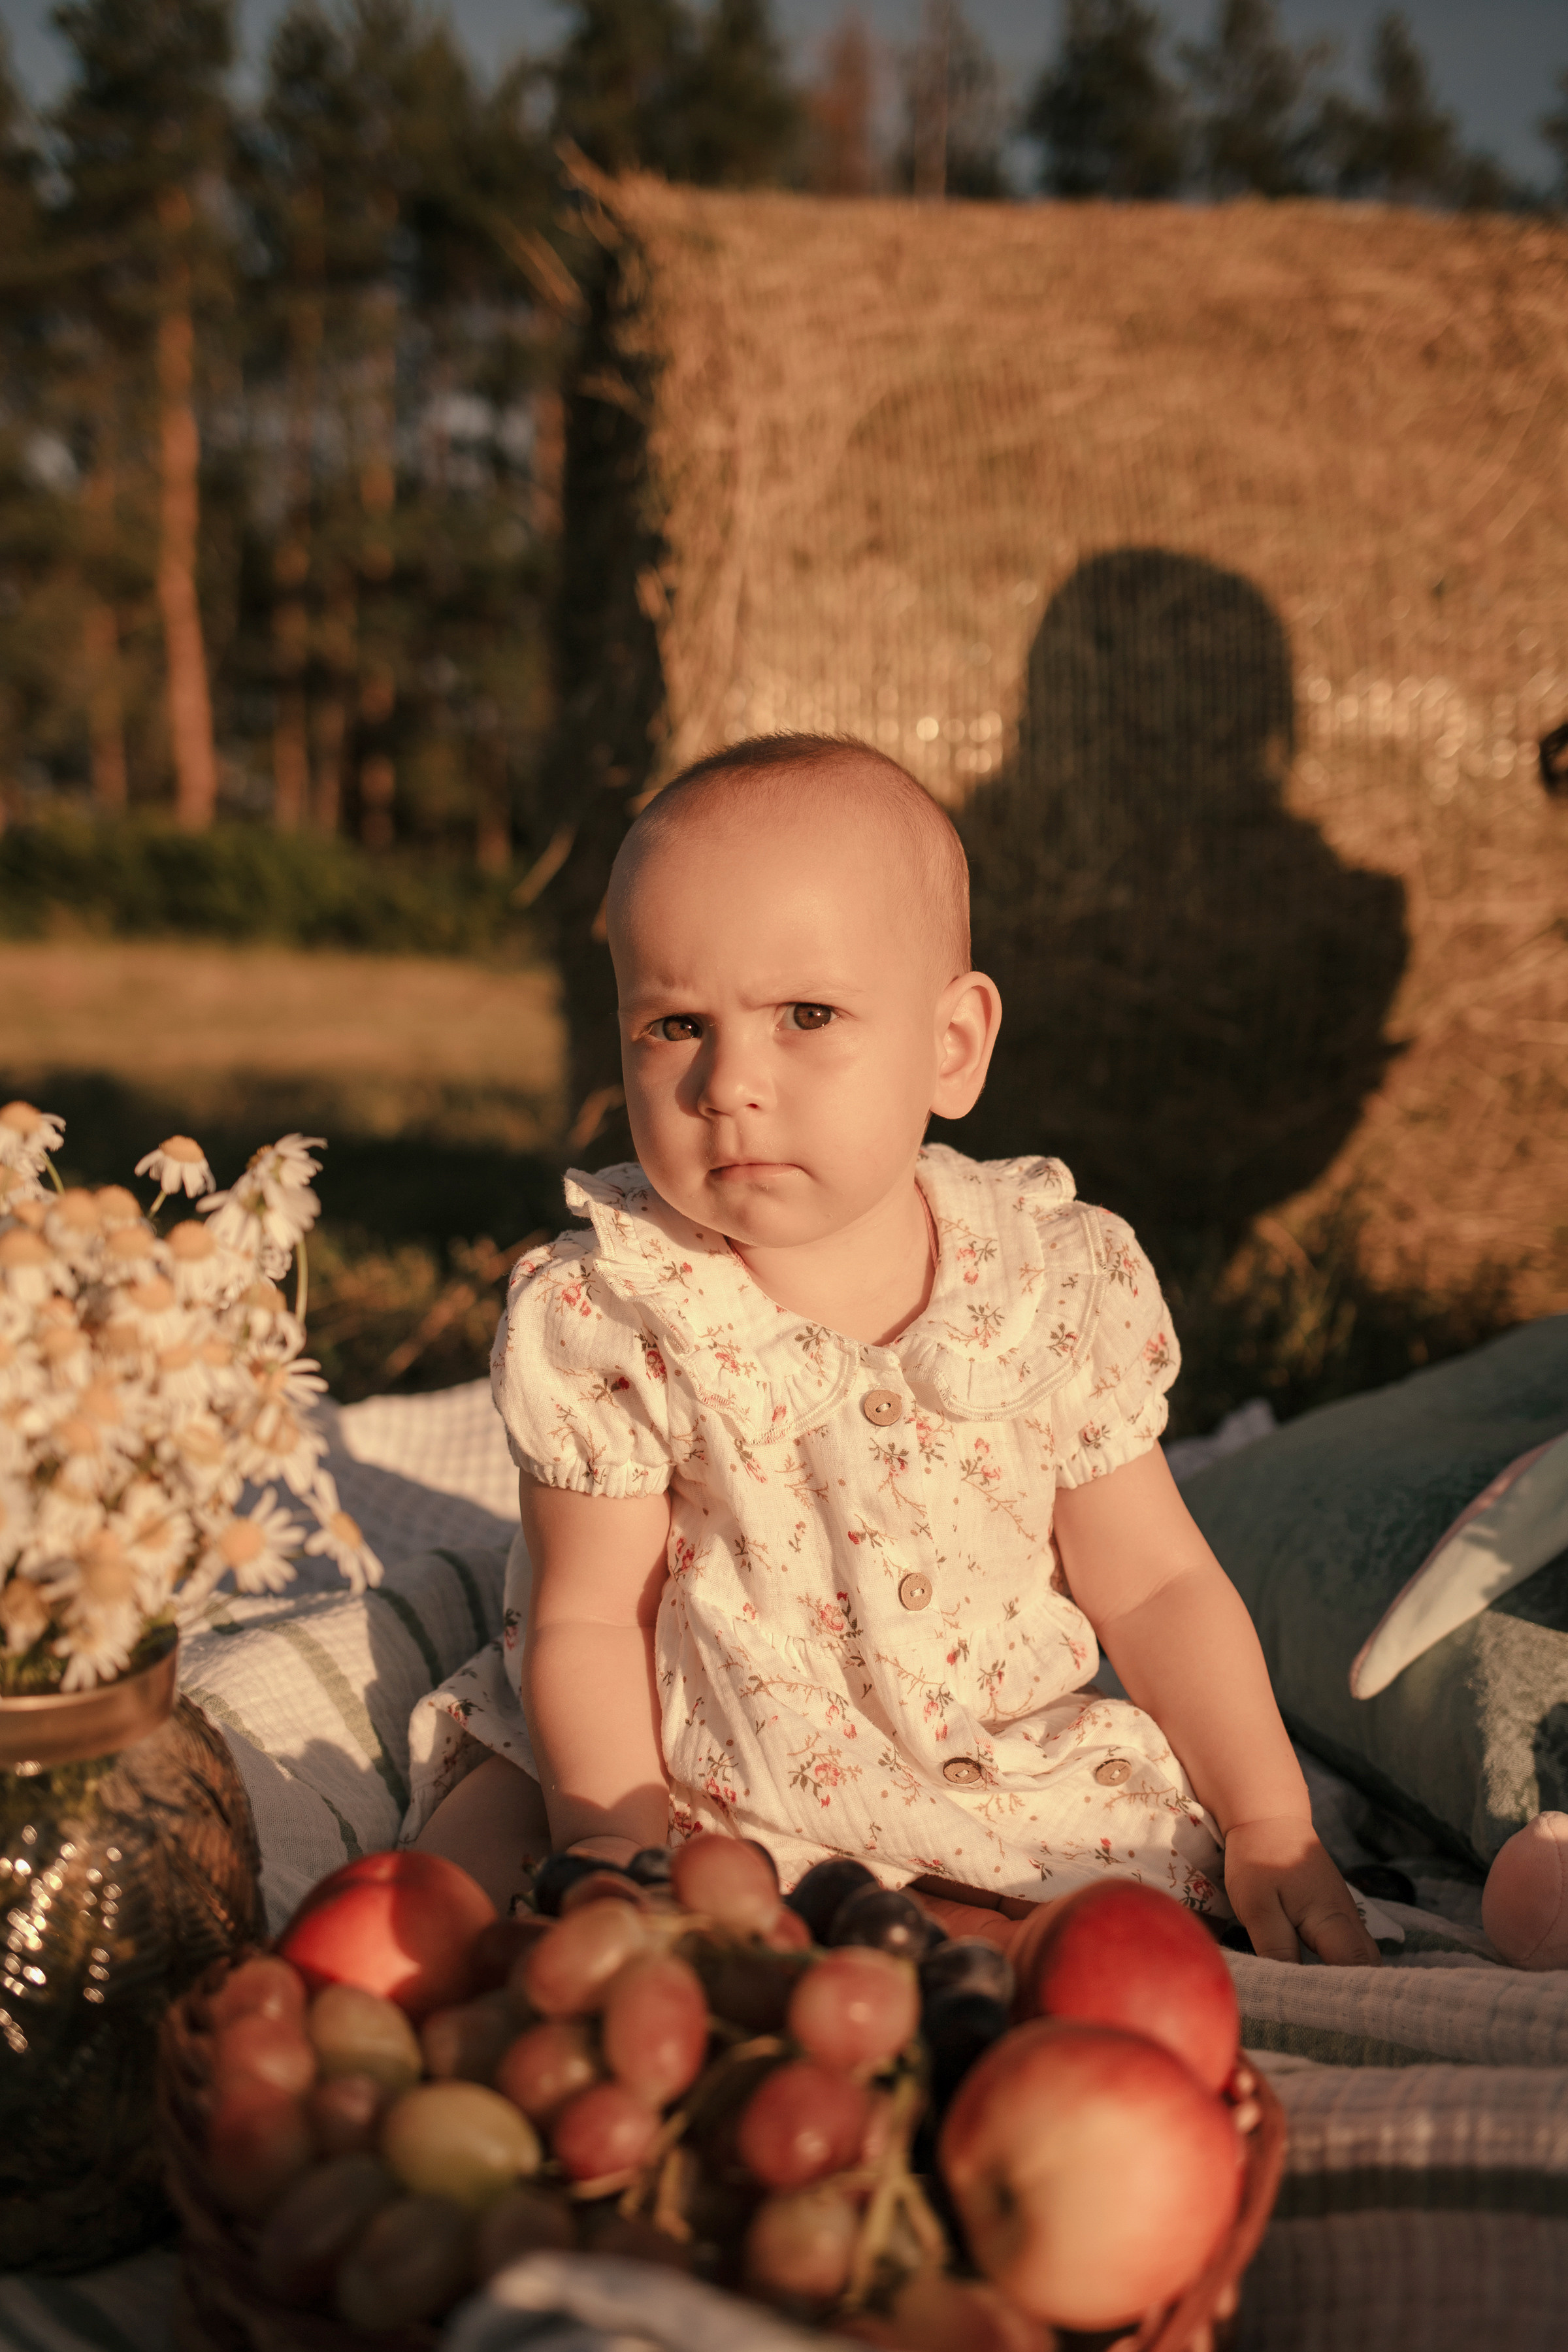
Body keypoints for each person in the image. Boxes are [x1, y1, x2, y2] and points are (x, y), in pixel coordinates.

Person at [414, 732, 1378, 1967]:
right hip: (693, 1750)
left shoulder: (1044, 1284)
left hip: (977, 1757)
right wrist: (614, 1849)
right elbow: (592, 1617)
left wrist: (1267, 1816)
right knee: (470, 1867)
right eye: (673, 1025)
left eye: (806, 1015)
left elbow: (1154, 1584)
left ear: (953, 1047)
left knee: (1105, 1929)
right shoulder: (619, 1309)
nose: (729, 1082)